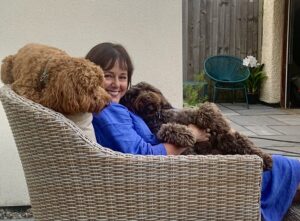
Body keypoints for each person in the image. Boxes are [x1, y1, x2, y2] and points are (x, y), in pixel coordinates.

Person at [86, 42, 300, 221]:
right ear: (92, 75)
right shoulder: (108, 110)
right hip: (177, 177)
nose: (116, 84)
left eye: (122, 77)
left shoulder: (110, 108)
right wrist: (192, 135)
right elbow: (144, 157)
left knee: (278, 166)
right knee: (283, 166)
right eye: (108, 76)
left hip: (176, 170)